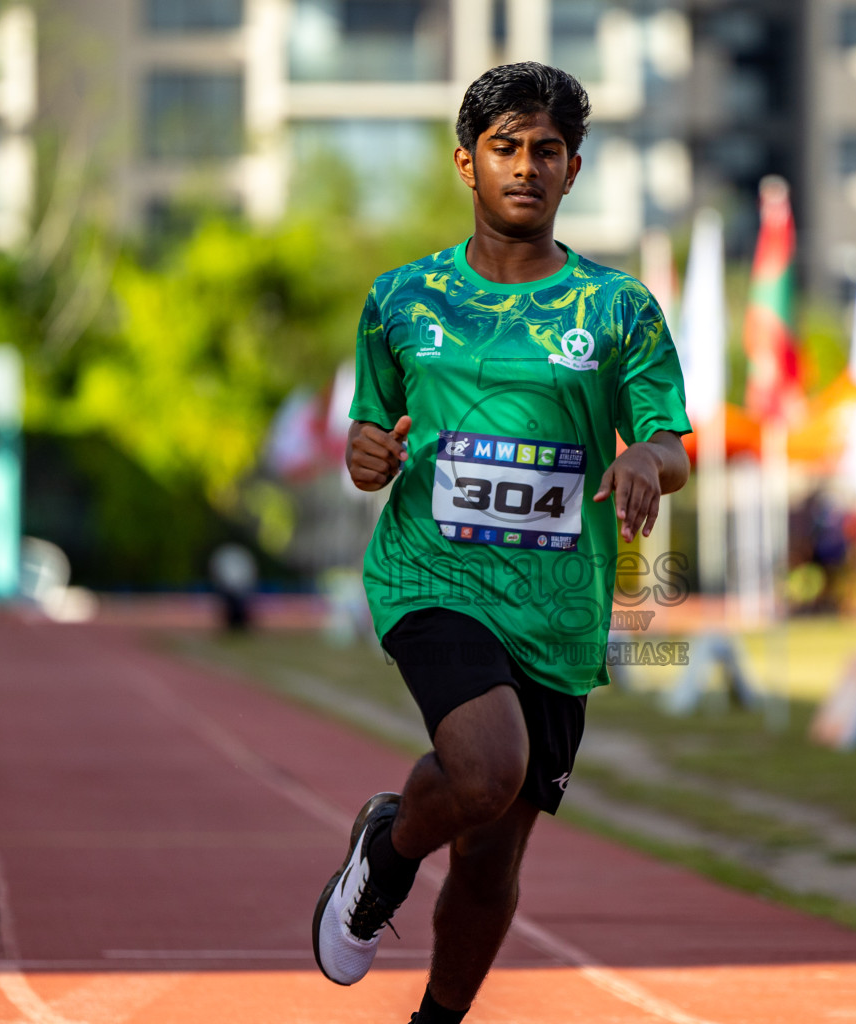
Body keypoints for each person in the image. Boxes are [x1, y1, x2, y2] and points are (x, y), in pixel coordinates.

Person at [312, 63, 692, 1024]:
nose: (526, 167)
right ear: (466, 163)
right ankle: (391, 849)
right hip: (429, 573)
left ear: (574, 170)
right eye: (505, 148)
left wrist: (648, 457)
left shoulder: (617, 309)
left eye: (547, 151)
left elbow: (671, 442)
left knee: (494, 850)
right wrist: (364, 456)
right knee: (485, 768)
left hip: (560, 603)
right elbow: (371, 441)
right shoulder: (401, 301)